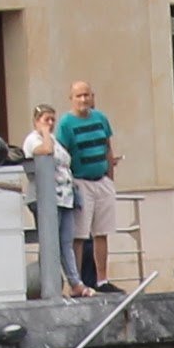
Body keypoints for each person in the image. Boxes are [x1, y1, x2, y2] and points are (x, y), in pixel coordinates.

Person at [56, 79, 117, 288]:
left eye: (87, 95)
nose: (84, 99)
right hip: (80, 182)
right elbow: (61, 154)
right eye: (79, 96)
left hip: (102, 180)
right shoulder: (65, 124)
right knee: (79, 235)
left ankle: (102, 279)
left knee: (102, 232)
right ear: (71, 99)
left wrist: (110, 178)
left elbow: (108, 147)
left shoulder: (101, 118)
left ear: (93, 97)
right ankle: (78, 282)